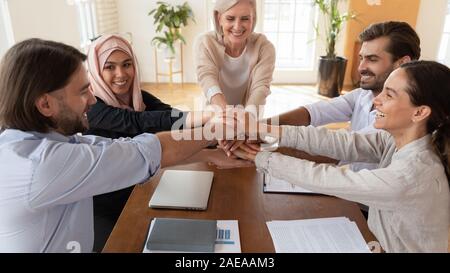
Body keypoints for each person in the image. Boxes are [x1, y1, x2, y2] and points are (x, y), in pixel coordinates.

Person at [0, 38, 240, 252]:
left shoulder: (46, 141)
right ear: (45, 105)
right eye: (83, 91)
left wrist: (211, 154)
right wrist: (215, 130)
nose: (92, 99)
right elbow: (147, 149)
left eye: (127, 64)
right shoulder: (40, 164)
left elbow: (125, 145)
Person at [238, 61, 450, 252]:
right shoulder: (397, 141)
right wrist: (264, 130)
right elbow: (341, 143)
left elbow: (327, 179)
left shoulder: (412, 175)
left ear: (420, 112)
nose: (376, 100)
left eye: (389, 94)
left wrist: (261, 158)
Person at [85, 34, 252, 251]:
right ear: (96, 71)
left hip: (140, 190)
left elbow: (171, 119)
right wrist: (205, 118)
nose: (121, 74)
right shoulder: (92, 109)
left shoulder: (138, 97)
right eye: (110, 67)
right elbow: (139, 123)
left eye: (127, 64)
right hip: (106, 207)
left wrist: (218, 144)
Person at [249, 21, 421, 172]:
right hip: (354, 194)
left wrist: (256, 145)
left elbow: (337, 150)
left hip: (372, 207)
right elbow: (311, 113)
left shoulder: (403, 115)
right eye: (361, 58)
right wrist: (253, 129)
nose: (361, 67)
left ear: (403, 63)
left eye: (372, 59)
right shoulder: (363, 95)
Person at [195, 0, 275, 118]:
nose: (237, 27)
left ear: (253, 18)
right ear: (219, 18)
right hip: (214, 112)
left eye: (245, 18)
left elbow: (261, 87)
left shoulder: (264, 47)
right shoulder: (205, 43)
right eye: (230, 18)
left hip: (250, 115)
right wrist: (225, 113)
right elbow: (207, 77)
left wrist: (247, 117)